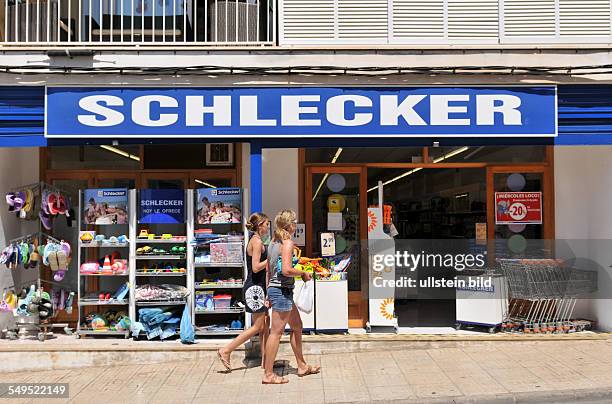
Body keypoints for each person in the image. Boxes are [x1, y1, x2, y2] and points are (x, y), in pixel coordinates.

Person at [262, 209, 320, 385]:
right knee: (276, 333)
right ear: (290, 225)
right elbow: (286, 270)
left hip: (277, 290)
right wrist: (303, 272)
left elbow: (268, 270)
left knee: (297, 326)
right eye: (294, 222)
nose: (296, 224)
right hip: (281, 292)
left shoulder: (273, 242)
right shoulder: (287, 243)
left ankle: (301, 366)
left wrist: (267, 292)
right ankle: (268, 374)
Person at [217, 212, 271, 371]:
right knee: (258, 326)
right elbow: (255, 267)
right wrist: (271, 259)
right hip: (255, 288)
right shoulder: (256, 242)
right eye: (267, 223)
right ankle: (226, 350)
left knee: (263, 326)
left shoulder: (257, 240)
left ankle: (265, 361)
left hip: (258, 287)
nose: (268, 226)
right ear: (260, 225)